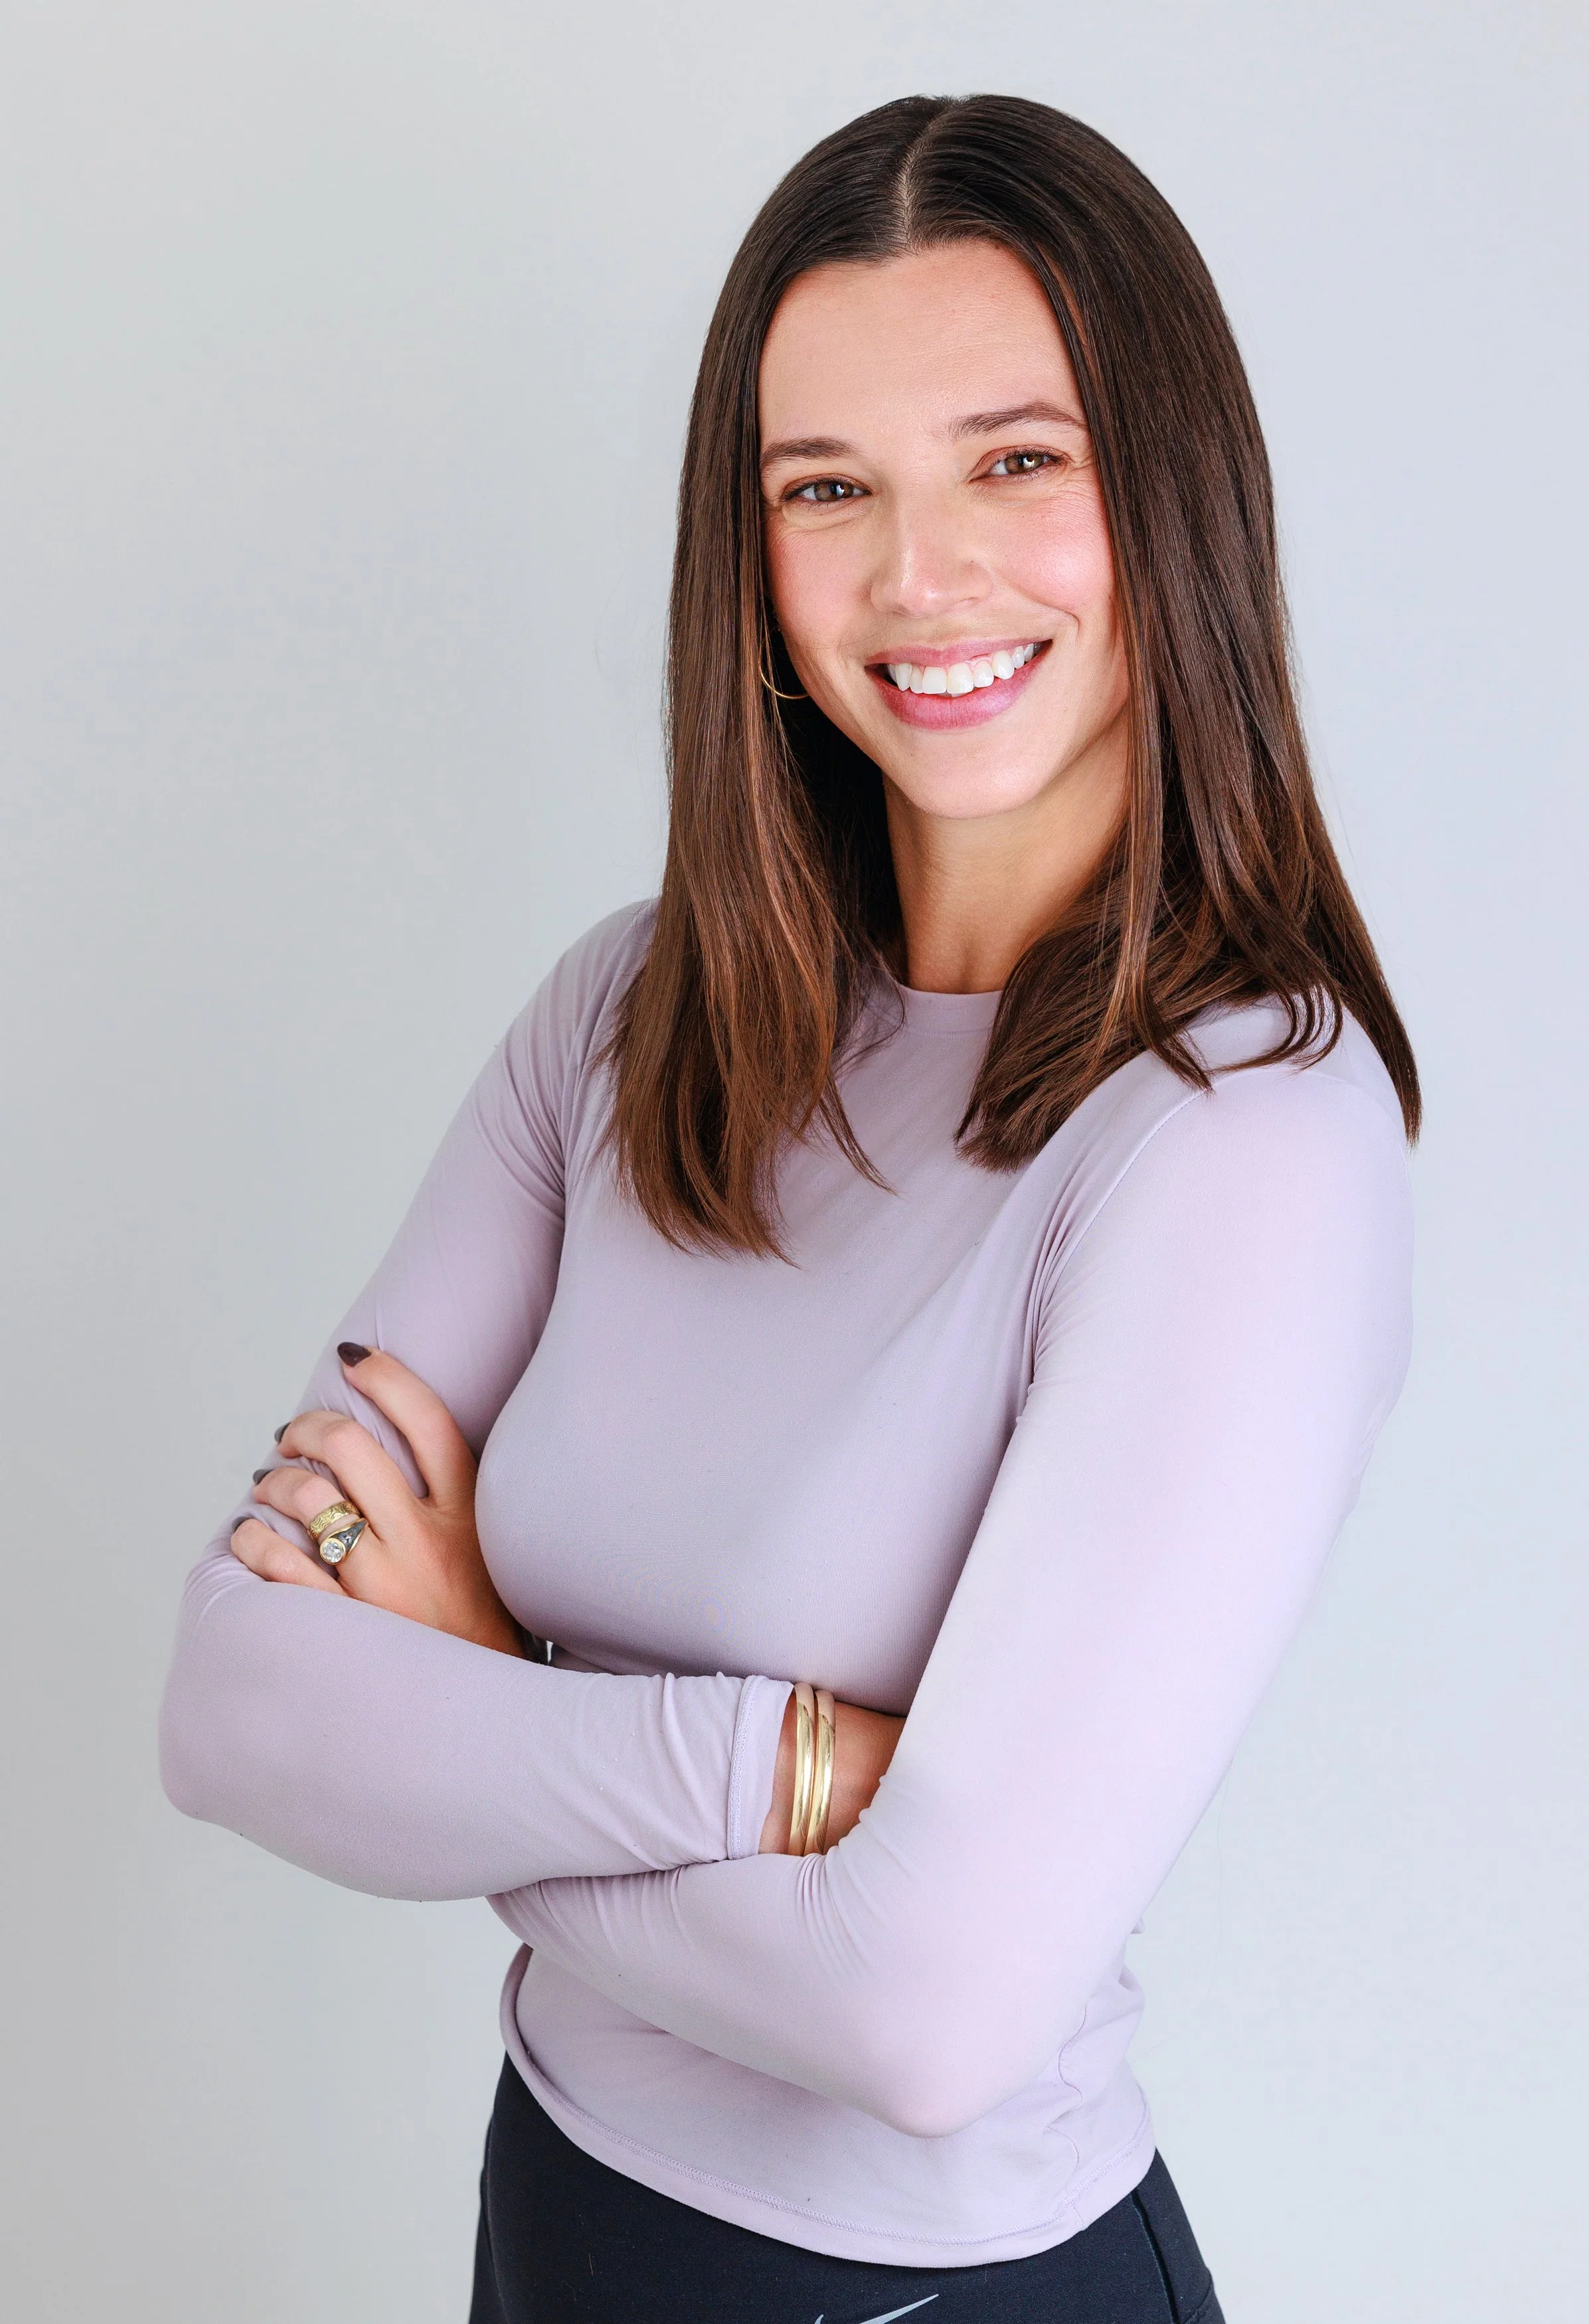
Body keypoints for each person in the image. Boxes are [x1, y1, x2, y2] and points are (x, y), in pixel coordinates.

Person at [159, 92, 1418, 2324]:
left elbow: (928, 2012)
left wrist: (473, 1706)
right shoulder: (631, 1013)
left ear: (1172, 495)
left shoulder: (1235, 1138)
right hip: (558, 2205)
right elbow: (242, 1700)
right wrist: (786, 1765)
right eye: (825, 490)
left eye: (1013, 463)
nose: (917, 575)